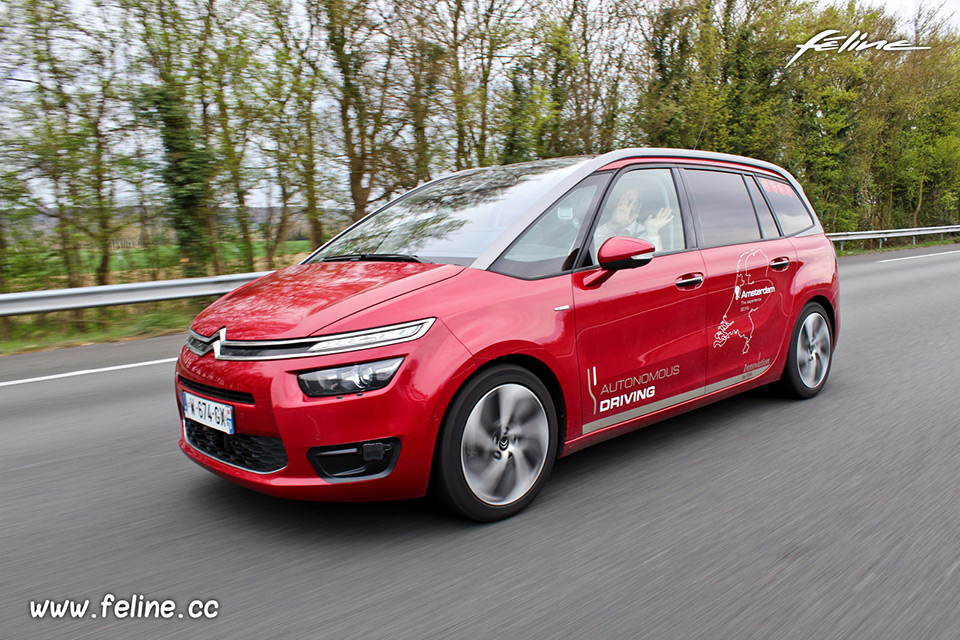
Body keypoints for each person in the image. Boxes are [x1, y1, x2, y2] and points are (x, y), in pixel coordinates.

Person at [593, 187, 675, 252]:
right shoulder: (597, 230)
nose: (623, 207)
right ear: (609, 205)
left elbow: (656, 264)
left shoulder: (647, 233)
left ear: (638, 207)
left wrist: (652, 231)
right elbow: (588, 253)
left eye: (630, 202)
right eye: (619, 200)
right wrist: (612, 224)